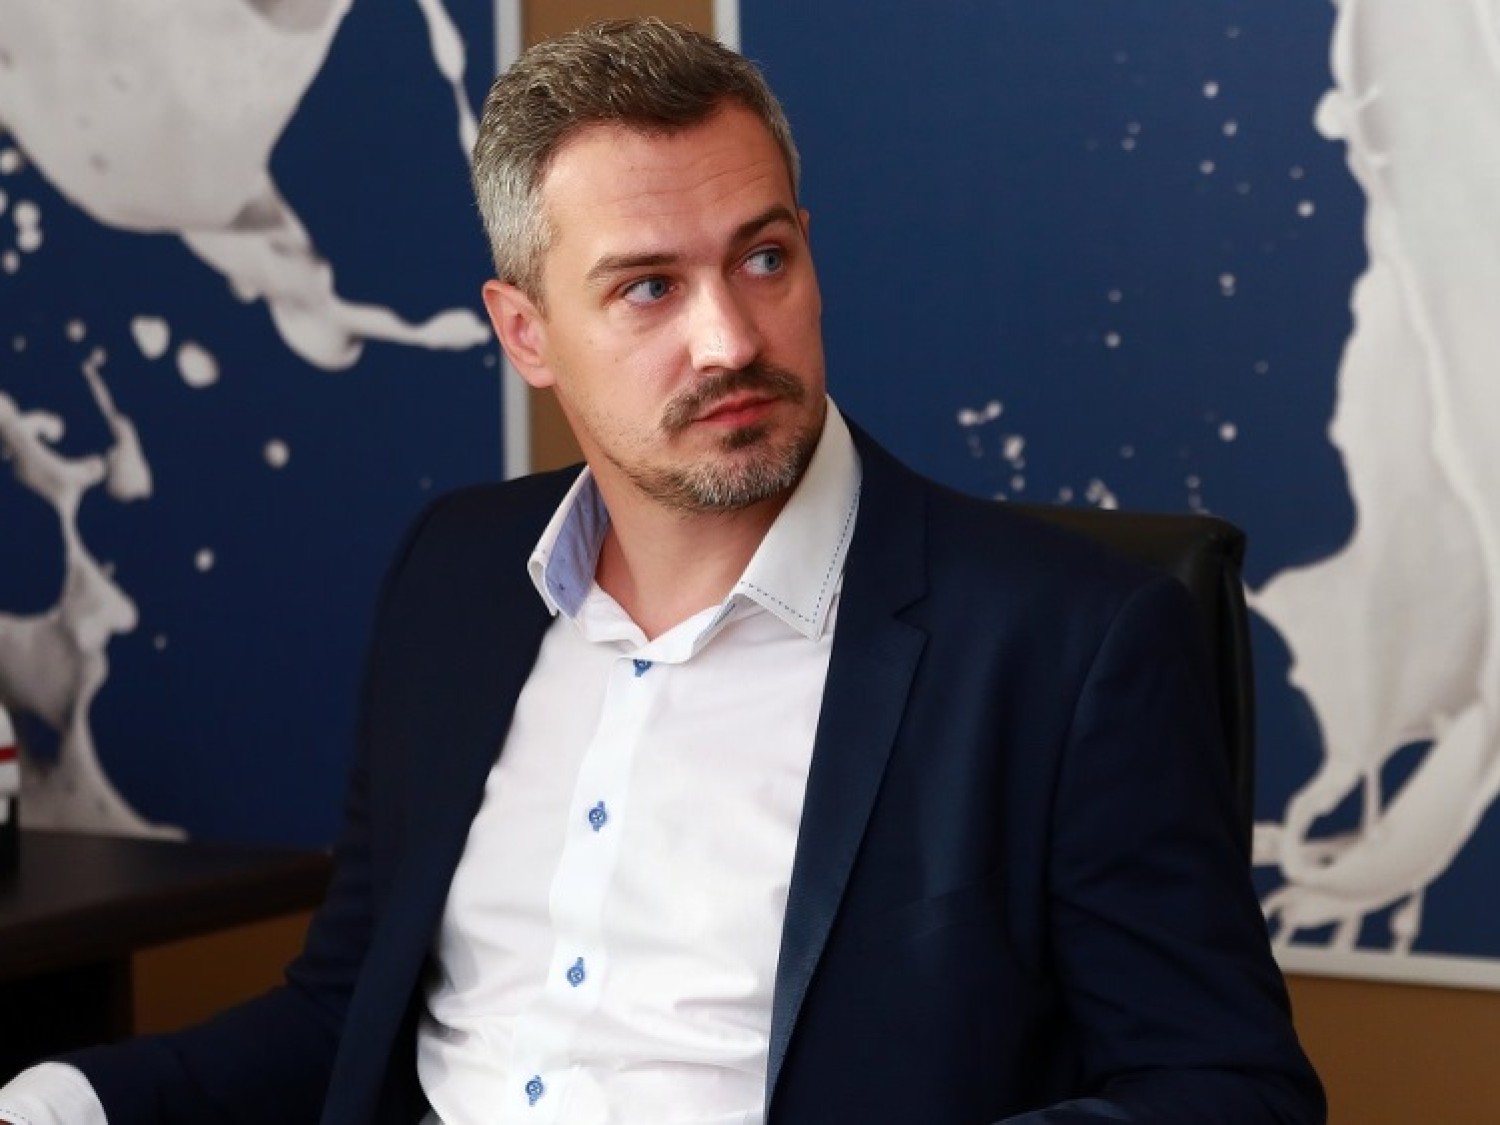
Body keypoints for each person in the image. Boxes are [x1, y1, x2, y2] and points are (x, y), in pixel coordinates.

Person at [0, 17, 1324, 1124]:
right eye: (647, 288)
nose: (730, 339)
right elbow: (350, 1009)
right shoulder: (456, 573)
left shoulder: (1070, 642)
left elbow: (1229, 1090)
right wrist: (60, 1099)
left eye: (764, 258)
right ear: (527, 332)